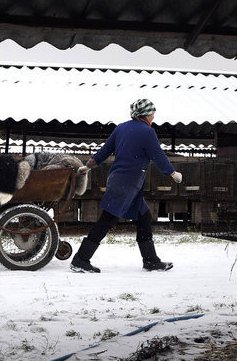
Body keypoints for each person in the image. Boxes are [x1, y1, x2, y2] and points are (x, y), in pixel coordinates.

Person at [71, 98, 183, 273]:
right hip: (127, 183)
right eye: (153, 113)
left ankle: (151, 260)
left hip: (120, 180)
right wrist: (172, 173)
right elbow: (158, 155)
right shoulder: (147, 132)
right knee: (107, 220)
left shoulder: (121, 127)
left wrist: (88, 165)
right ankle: (80, 259)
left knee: (144, 217)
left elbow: (105, 150)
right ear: (146, 114)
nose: (154, 116)